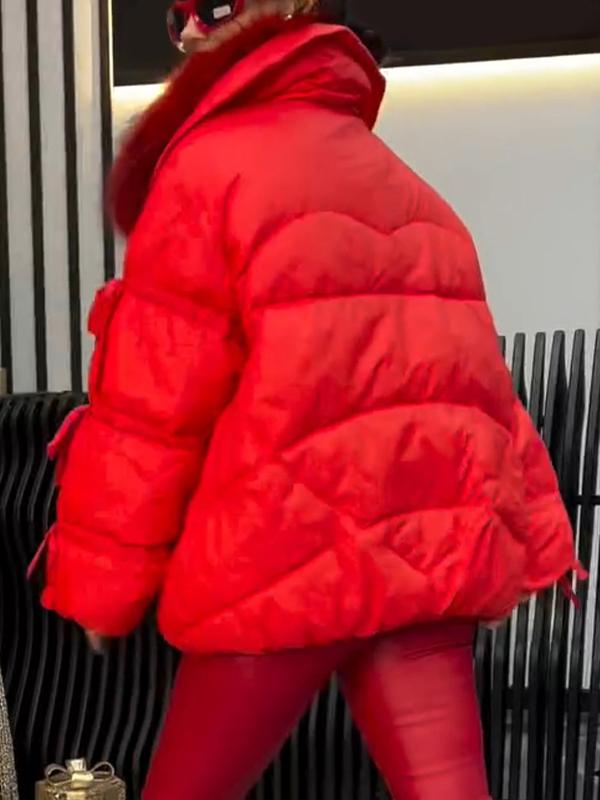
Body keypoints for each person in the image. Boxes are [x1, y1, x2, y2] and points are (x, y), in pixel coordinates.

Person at [37, 0, 581, 797]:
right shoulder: (414, 194)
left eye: (201, 12)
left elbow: (152, 407)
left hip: (278, 560)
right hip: (422, 569)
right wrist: (537, 543)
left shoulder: (208, 171)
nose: (185, 33)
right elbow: (482, 392)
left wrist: (100, 584)